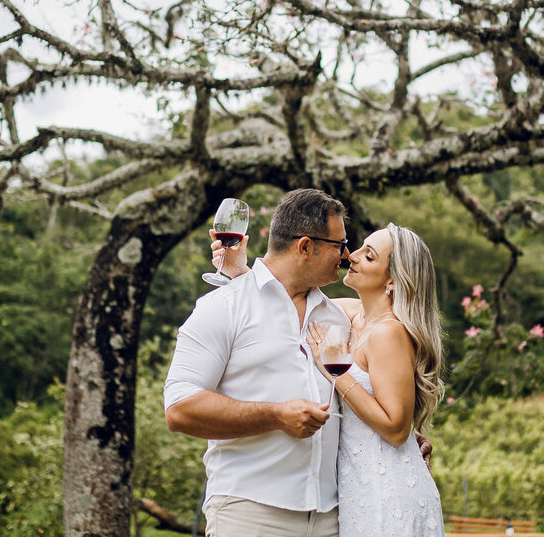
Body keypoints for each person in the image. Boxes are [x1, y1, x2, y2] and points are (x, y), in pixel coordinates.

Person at [219, 220, 445, 537]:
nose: (350, 255)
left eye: (369, 256)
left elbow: (396, 429)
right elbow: (285, 306)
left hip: (387, 490)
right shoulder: (350, 314)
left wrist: (334, 370)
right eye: (359, 247)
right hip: (355, 491)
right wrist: (240, 272)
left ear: (392, 279)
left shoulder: (388, 333)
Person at [164, 189, 351, 537]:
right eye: (339, 245)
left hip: (332, 518)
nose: (347, 254)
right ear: (306, 246)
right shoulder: (223, 306)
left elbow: (352, 401)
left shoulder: (339, 318)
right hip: (249, 513)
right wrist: (276, 416)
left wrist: (400, 440)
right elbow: (179, 408)